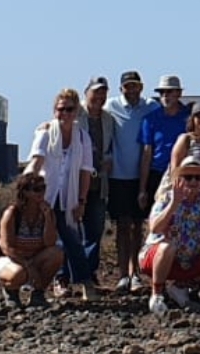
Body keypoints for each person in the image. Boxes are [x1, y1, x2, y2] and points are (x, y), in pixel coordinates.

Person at [27, 87, 96, 300]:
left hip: (69, 198)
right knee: (40, 241)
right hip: (45, 197)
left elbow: (85, 172)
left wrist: (81, 201)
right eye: (60, 109)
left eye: (69, 109)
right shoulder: (46, 133)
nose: (64, 114)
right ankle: (40, 282)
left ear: (77, 112)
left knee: (73, 242)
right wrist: (27, 192)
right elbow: (36, 163)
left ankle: (85, 282)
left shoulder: (82, 138)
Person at [141, 156, 200, 314]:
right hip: (158, 256)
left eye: (197, 177)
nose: (193, 181)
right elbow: (154, 228)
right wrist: (174, 204)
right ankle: (157, 294)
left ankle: (182, 286)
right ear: (179, 178)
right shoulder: (166, 199)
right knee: (168, 246)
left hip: (188, 259)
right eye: (188, 177)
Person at [105, 69, 156, 292]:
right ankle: (123, 274)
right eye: (128, 86)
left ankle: (136, 273)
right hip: (118, 175)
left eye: (135, 85)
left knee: (139, 225)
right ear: (121, 89)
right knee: (122, 226)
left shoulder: (151, 106)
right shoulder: (110, 106)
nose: (132, 90)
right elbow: (86, 112)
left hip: (142, 176)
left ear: (141, 87)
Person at [0, 172, 64, 308]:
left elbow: (50, 243)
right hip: (10, 259)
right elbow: (7, 247)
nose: (40, 193)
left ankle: (38, 294)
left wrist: (47, 219)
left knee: (56, 254)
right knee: (18, 273)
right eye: (36, 189)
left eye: (43, 188)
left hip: (33, 257)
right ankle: (11, 291)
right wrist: (29, 267)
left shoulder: (47, 212)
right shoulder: (13, 213)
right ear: (26, 192)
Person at [137, 75, 191, 230]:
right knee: (155, 220)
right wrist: (142, 189)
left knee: (181, 220)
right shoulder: (150, 119)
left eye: (169, 92)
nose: (165, 96)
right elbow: (147, 154)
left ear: (179, 94)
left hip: (183, 175)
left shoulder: (188, 117)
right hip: (157, 174)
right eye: (162, 92)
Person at [81, 76, 119, 285]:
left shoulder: (108, 119)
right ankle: (63, 276)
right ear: (86, 92)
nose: (99, 97)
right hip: (76, 181)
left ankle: (88, 273)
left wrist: (108, 160)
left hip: (98, 183)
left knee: (95, 230)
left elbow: (111, 146)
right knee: (68, 229)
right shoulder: (75, 113)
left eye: (103, 93)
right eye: (95, 92)